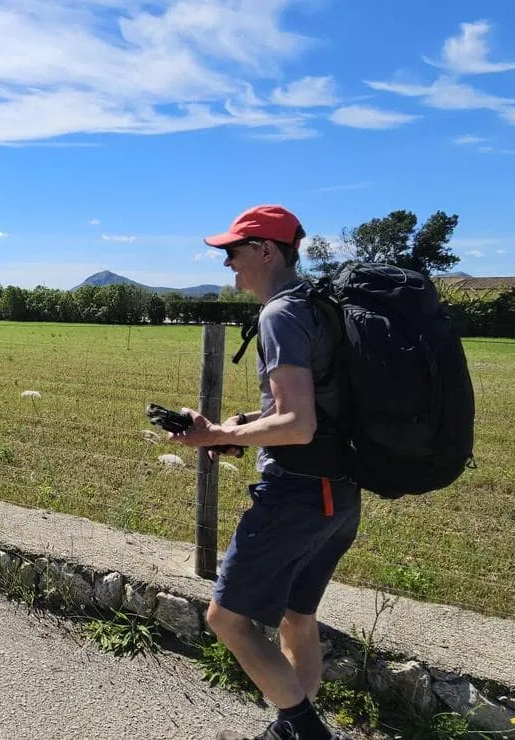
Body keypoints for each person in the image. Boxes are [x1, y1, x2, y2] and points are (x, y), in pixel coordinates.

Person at [170, 205, 359, 740]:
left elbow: (297, 425)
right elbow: (316, 410)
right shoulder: (323, 306)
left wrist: (216, 436)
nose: (228, 264)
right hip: (339, 494)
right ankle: (289, 729)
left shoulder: (280, 314)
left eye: (233, 251)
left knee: (226, 620)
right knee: (297, 616)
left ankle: (305, 730)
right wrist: (245, 425)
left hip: (297, 496)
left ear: (265, 251)